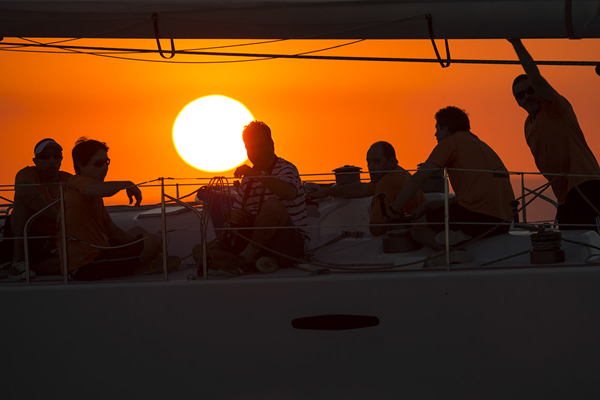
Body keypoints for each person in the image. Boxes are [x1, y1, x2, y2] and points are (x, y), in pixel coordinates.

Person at [389, 107, 515, 262]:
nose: (435, 134)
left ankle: (453, 251)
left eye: (437, 129)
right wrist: (432, 205)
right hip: (503, 222)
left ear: (446, 129)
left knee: (418, 227)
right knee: (440, 213)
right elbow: (479, 194)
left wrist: (394, 209)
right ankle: (460, 235)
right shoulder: (481, 145)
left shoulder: (451, 143)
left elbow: (418, 179)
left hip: (477, 216)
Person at [509, 39, 600, 230]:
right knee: (572, 246)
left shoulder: (554, 107)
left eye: (530, 90)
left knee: (587, 245)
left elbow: (536, 76)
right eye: (520, 95)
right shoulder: (528, 125)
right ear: (517, 102)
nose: (527, 96)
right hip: (563, 195)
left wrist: (516, 42)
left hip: (585, 185)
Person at [57, 138, 162, 280]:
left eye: (107, 162)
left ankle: (147, 256)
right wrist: (127, 184)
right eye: (98, 163)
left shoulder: (93, 192)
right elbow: (98, 190)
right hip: (87, 265)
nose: (104, 168)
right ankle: (143, 265)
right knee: (152, 240)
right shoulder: (79, 183)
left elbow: (112, 230)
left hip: (99, 251)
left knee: (140, 232)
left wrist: (140, 242)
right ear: (81, 165)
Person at [213, 120, 307, 276]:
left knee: (273, 205)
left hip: (287, 242)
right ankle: (257, 262)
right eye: (250, 148)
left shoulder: (287, 168)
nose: (255, 152)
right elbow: (236, 214)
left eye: (260, 146)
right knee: (200, 253)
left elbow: (289, 193)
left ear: (272, 144)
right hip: (257, 241)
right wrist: (236, 218)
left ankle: (246, 259)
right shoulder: (247, 179)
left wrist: (256, 175)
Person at [306, 141, 427, 236]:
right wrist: (327, 191)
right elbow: (361, 189)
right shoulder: (397, 172)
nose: (371, 167)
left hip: (413, 236)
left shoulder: (385, 183)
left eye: (376, 161)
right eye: (369, 162)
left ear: (392, 161)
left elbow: (377, 230)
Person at [2, 139, 72, 280]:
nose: (52, 160)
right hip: (30, 237)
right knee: (23, 198)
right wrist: (58, 217)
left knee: (71, 262)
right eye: (45, 156)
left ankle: (21, 269)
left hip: (55, 239)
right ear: (36, 160)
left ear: (61, 159)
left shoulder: (68, 180)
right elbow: (24, 191)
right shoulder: (27, 174)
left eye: (56, 155)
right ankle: (17, 261)